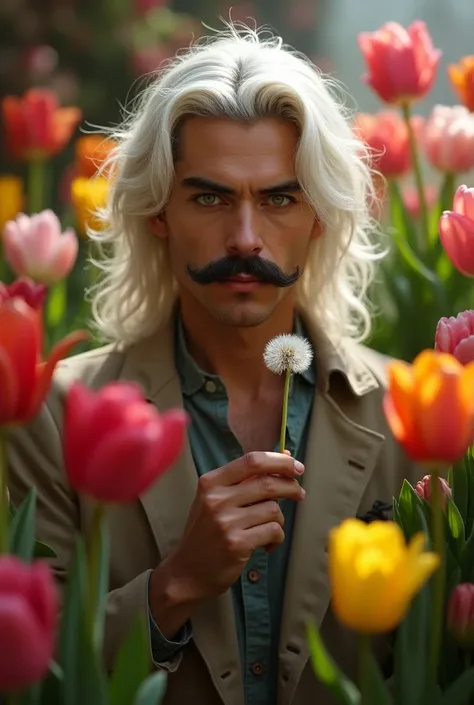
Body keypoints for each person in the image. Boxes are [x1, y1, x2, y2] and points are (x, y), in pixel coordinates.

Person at [8, 25, 422, 705]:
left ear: (319, 213)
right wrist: (175, 584)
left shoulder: (406, 412)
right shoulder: (52, 414)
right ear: (158, 211)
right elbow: (31, 674)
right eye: (210, 197)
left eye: (279, 198)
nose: (246, 237)